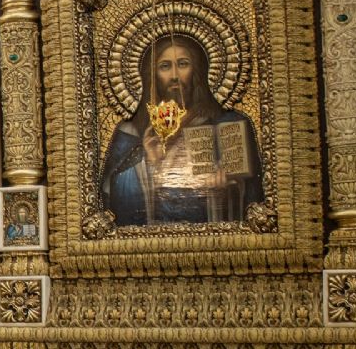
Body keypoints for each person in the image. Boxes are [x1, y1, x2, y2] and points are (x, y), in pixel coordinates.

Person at [101, 31, 262, 226]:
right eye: (165, 66)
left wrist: (228, 186)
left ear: (198, 70)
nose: (175, 76)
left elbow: (254, 196)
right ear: (151, 75)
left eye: (183, 64)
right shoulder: (131, 132)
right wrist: (148, 162)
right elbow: (110, 195)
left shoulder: (226, 124)